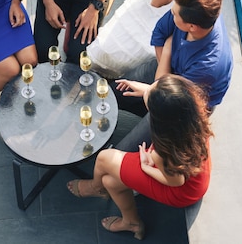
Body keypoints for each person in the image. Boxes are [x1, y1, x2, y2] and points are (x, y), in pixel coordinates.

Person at [66, 75, 213, 240]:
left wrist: (147, 168)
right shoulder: (190, 116)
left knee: (104, 158)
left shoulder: (164, 151)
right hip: (191, 177)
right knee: (110, 181)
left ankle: (95, 187)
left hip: (180, 189)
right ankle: (131, 222)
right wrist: (148, 90)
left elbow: (176, 181)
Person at [117, 0, 233, 117]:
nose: (171, 14)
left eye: (174, 14)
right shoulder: (199, 13)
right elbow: (160, 32)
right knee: (116, 92)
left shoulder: (208, 66)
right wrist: (163, 72)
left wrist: (167, 52)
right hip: (171, 67)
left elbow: (166, 93)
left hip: (186, 102)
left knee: (138, 133)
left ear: (191, 27)